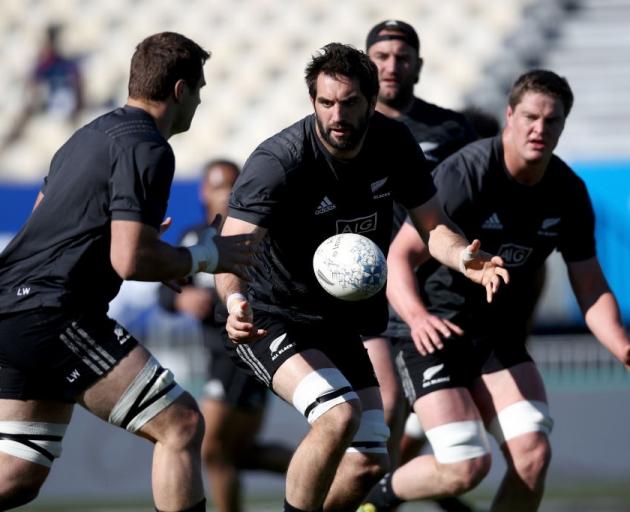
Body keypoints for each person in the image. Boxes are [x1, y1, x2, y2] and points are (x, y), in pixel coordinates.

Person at [215, 42, 508, 512]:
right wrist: (234, 302)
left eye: (349, 103)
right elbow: (232, 250)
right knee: (338, 415)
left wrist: (463, 259)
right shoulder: (279, 161)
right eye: (326, 103)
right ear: (312, 101)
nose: (337, 115)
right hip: (268, 312)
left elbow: (433, 227)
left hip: (335, 320)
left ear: (371, 101)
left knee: (370, 461)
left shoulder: (393, 143)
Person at [0, 32, 254, 512]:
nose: (199, 102)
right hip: (53, 314)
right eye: (199, 90)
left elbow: (45, 222)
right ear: (180, 90)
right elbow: (129, 260)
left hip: (12, 309)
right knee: (180, 425)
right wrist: (209, 256)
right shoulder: (149, 148)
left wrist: (134, 242)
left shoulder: (86, 137)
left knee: (18, 472)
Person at [361, 69, 630, 512]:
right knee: (466, 465)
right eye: (530, 117)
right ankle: (369, 501)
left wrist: (622, 347)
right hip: (434, 332)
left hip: (497, 338)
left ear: (563, 125)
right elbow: (399, 256)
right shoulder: (467, 173)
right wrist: (417, 317)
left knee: (533, 455)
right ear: (510, 115)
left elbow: (590, 285)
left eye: (552, 121)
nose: (539, 129)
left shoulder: (568, 191)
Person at [363, 20, 480, 512]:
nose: (392, 66)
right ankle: (372, 498)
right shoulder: (346, 127)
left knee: (423, 413)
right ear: (367, 63)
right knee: (385, 408)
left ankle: (382, 498)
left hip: (437, 294)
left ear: (418, 65)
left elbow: (472, 206)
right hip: (364, 290)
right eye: (382, 56)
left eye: (402, 56)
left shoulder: (451, 131)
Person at [157, 159, 292, 512]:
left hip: (243, 352)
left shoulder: (252, 237)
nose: (227, 196)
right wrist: (183, 298)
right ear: (204, 191)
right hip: (215, 356)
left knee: (213, 450)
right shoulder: (193, 236)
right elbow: (165, 291)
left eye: (233, 187)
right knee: (239, 453)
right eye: (219, 187)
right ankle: (332, 474)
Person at [1, 24, 84, 153]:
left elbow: (78, 89)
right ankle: (9, 143)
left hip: (65, 108)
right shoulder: (44, 65)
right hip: (48, 105)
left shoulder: (68, 65)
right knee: (26, 108)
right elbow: (32, 85)